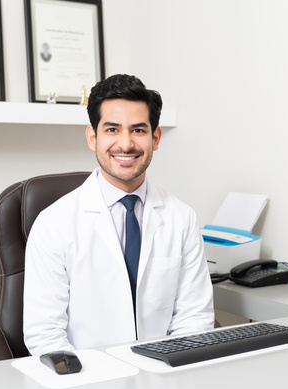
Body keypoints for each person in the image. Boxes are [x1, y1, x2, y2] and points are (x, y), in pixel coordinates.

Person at [23, 74, 214, 356]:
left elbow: (194, 318)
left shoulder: (181, 218)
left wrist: (170, 374)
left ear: (156, 137)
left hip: (164, 377)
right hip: (88, 384)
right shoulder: (54, 224)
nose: (126, 144)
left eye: (138, 130)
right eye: (112, 130)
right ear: (93, 137)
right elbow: (45, 334)